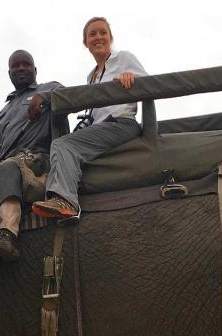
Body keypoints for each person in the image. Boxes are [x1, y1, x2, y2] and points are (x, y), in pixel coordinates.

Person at [28, 16, 147, 223]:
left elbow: (149, 83)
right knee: (62, 145)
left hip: (121, 122)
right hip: (102, 127)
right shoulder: (91, 76)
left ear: (111, 38)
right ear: (86, 43)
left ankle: (66, 201)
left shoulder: (123, 58)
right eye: (93, 34)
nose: (98, 37)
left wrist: (129, 79)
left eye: (103, 33)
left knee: (63, 145)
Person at [0, 50, 60, 260]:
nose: (21, 68)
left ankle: (7, 233)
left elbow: (67, 93)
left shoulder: (49, 88)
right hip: (7, 161)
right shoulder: (3, 113)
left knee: (8, 167)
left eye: (26, 64)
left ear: (35, 69)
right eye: (16, 66)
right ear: (9, 73)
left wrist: (43, 98)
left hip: (37, 161)